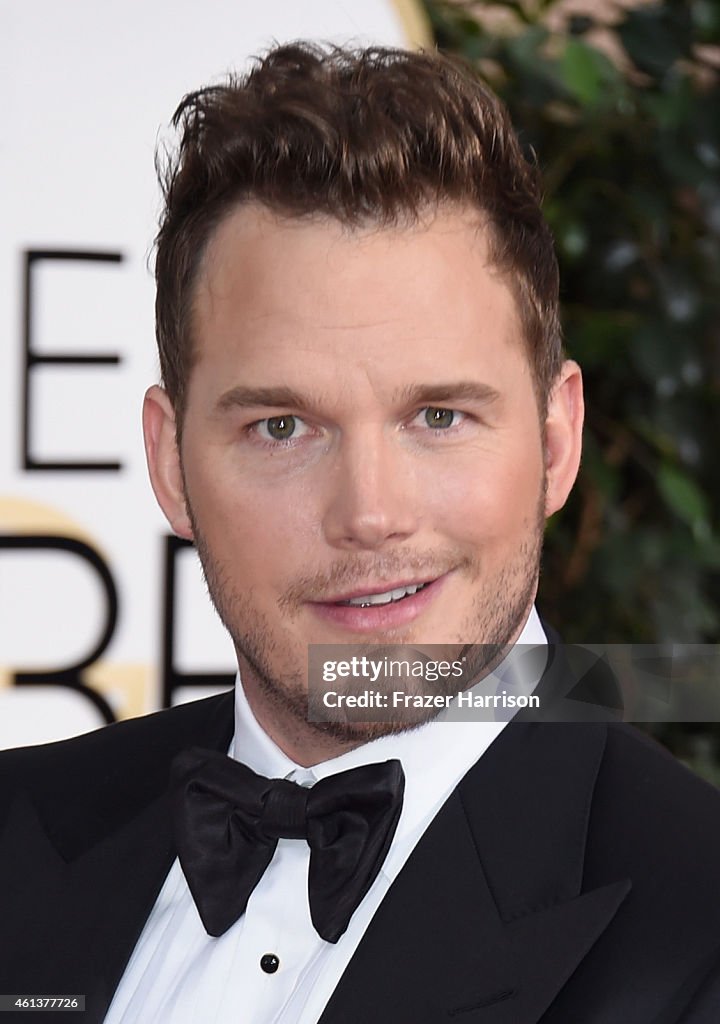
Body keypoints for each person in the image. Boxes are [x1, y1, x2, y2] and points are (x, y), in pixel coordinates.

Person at [2, 41, 720, 1024]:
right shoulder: (17, 833)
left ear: (557, 442)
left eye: (439, 417)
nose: (370, 513)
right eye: (283, 427)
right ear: (172, 465)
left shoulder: (697, 927)